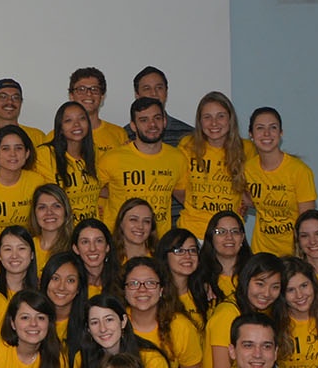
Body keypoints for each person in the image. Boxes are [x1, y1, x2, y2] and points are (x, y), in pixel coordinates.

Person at [99, 97, 187, 236]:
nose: (152, 124)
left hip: (158, 244)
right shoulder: (112, 158)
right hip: (120, 244)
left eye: (157, 118)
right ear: (133, 126)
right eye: (143, 120)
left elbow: (183, 195)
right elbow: (91, 190)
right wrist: (116, 192)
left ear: (164, 121)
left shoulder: (178, 158)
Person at [244, 108, 317, 257]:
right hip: (262, 253)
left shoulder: (300, 171)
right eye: (260, 128)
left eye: (273, 127)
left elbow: (307, 221)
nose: (266, 134)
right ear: (251, 134)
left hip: (294, 255)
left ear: (281, 133)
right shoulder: (247, 169)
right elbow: (246, 200)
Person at [175, 92, 248, 240]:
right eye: (207, 117)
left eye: (220, 116)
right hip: (193, 233)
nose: (214, 123)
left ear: (230, 119)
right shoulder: (187, 146)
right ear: (200, 121)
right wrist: (199, 207)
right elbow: (178, 190)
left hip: (230, 235)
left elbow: (254, 192)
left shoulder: (246, 149)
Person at [35, 102, 103, 222]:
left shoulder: (95, 152)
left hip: (90, 230)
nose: (76, 124)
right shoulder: (45, 154)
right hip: (61, 231)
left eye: (82, 118)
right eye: (68, 120)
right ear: (60, 128)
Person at [0, 125, 47, 231]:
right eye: (5, 149)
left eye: (18, 148)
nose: (13, 154)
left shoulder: (37, 182)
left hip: (25, 245)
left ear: (27, 153)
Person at [66, 67, 124, 153]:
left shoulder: (119, 134)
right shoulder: (56, 136)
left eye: (94, 89)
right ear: (71, 96)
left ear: (102, 96)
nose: (89, 94)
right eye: (81, 89)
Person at [132, 66, 193, 146]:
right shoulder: (125, 135)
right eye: (147, 89)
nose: (154, 93)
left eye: (159, 88)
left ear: (166, 92)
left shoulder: (188, 134)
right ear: (137, 95)